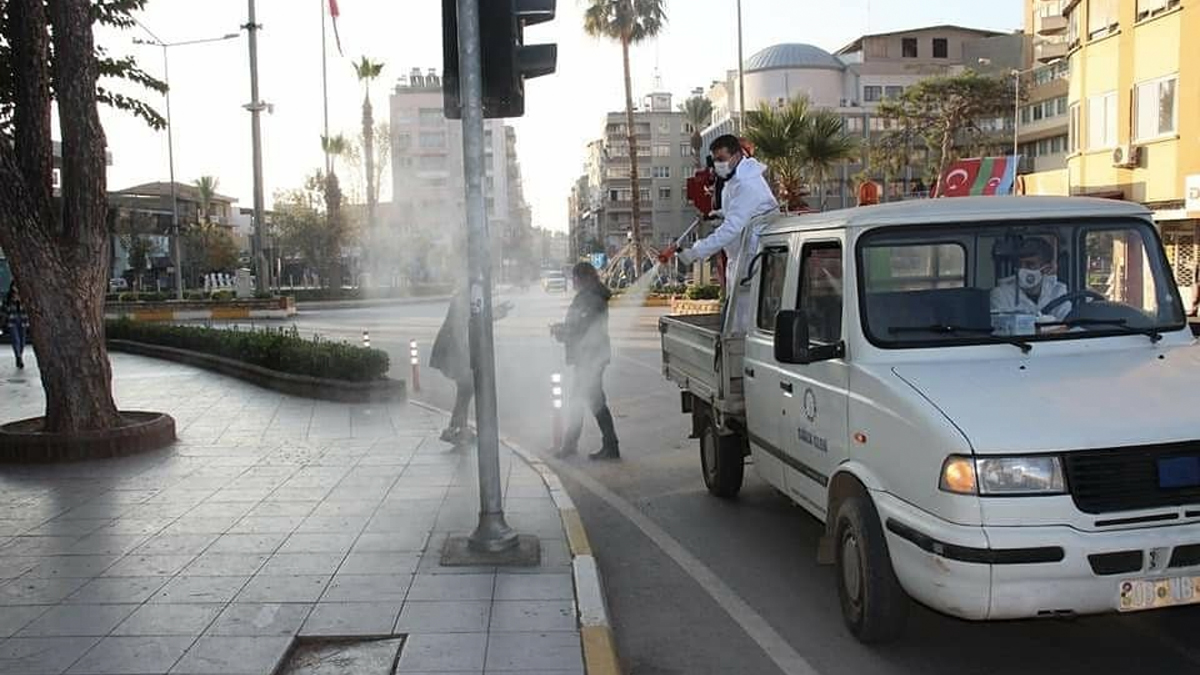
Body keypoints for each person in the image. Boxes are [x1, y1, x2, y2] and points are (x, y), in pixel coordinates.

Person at [661, 134, 779, 332]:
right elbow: (740, 213)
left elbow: (731, 229)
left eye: (722, 159)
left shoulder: (747, 185)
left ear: (736, 156)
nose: (718, 164)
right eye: (715, 160)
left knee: (745, 323)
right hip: (742, 259)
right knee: (738, 318)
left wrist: (695, 252)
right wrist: (720, 214)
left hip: (753, 260)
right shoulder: (733, 181)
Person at [552, 263, 619, 461]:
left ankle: (606, 446)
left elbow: (582, 328)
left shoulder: (592, 298)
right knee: (588, 400)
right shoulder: (592, 295)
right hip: (590, 356)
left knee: (589, 401)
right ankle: (582, 444)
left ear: (585, 278)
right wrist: (563, 328)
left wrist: (561, 332)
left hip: (591, 356)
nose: (573, 282)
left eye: (575, 278)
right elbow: (578, 324)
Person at [429, 288, 512, 445]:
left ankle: (460, 429)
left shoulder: (469, 295)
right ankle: (454, 429)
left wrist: (497, 313)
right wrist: (464, 356)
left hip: (458, 350)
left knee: (465, 389)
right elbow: (464, 325)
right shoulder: (465, 296)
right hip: (455, 350)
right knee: (466, 388)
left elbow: (477, 317)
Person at [990, 238, 1071, 322]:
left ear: (1046, 269)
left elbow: (1065, 324)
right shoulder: (1000, 294)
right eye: (1019, 264)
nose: (1022, 269)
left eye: (1029, 264)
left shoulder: (1058, 291)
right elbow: (1003, 328)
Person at [2, 283, 30, 369]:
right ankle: (18, 357)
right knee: (16, 340)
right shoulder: (9, 297)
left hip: (23, 320)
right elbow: (5, 310)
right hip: (12, 320)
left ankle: (19, 356)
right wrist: (12, 301)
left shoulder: (24, 295)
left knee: (22, 341)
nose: (16, 288)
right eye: (14, 286)